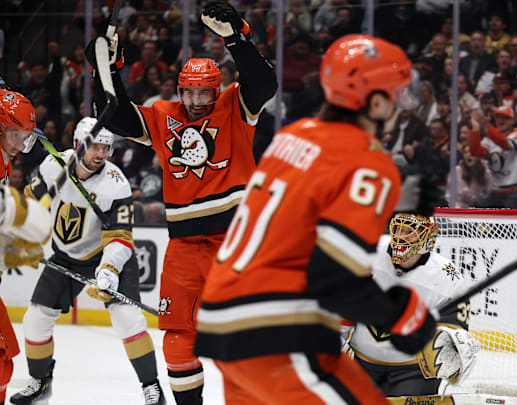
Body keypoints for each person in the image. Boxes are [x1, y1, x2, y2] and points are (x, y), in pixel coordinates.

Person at [194, 34, 438, 404]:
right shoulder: (370, 162)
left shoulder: (290, 137)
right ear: (373, 101)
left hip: (221, 323)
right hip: (280, 330)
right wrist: (402, 316)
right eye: (394, 93)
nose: (399, 105)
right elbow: (334, 279)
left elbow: (302, 218)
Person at [87, 2, 277, 403]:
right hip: (184, 249)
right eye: (189, 91)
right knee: (177, 343)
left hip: (234, 244)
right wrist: (106, 72)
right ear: (179, 90)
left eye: (203, 91)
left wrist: (237, 39)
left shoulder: (234, 107)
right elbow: (118, 117)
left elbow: (265, 84)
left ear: (216, 88)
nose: (195, 99)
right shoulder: (163, 115)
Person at [13, 118, 165, 405]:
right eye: (94, 146)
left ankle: (151, 387)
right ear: (77, 145)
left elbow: (120, 238)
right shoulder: (53, 166)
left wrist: (108, 269)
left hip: (109, 256)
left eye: (105, 148)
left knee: (128, 320)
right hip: (66, 255)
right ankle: (40, 381)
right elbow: (31, 204)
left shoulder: (116, 185)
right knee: (35, 320)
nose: (100, 154)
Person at [346, 213, 479, 397]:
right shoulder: (369, 253)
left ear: (427, 237)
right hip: (361, 363)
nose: (400, 236)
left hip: (413, 371)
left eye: (409, 231)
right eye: (398, 228)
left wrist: (449, 341)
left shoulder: (447, 276)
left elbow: (454, 325)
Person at [0, 89, 41, 405]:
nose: (23, 143)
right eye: (18, 133)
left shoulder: (3, 159)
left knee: (4, 361)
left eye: (26, 135)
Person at [469, 106, 517, 209]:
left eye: (505, 117)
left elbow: (506, 144)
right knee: (477, 210)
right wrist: (475, 129)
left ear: (512, 121)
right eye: (498, 117)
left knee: (508, 212)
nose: (501, 120)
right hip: (496, 190)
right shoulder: (490, 138)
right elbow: (476, 152)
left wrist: (487, 126)